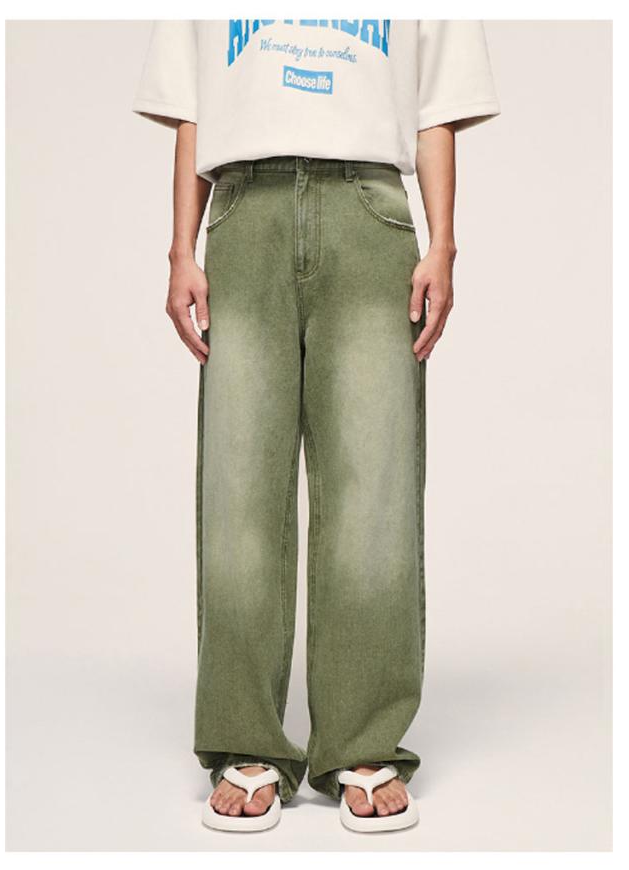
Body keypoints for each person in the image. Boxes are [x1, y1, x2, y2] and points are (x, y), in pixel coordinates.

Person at [133, 18, 499, 833]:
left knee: (375, 489)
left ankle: (362, 742)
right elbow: (194, 105)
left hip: (370, 209)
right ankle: (245, 740)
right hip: (244, 209)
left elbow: (435, 106)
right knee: (239, 487)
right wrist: (181, 250)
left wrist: (443, 244)